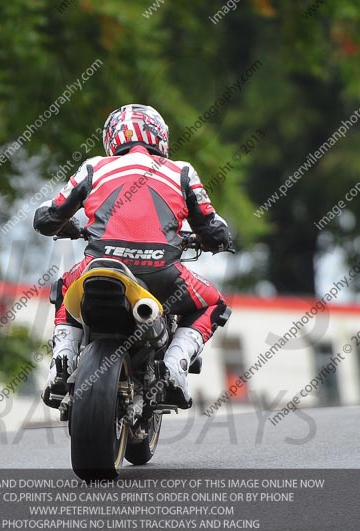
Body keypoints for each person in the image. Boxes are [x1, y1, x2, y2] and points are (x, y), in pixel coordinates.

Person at [33, 104, 231, 409]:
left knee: (64, 290)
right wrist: (208, 239)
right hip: (163, 273)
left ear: (112, 139)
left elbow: (47, 218)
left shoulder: (94, 167)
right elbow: (214, 228)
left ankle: (62, 361)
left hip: (97, 265)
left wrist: (68, 225)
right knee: (214, 302)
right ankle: (175, 365)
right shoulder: (182, 171)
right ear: (160, 137)